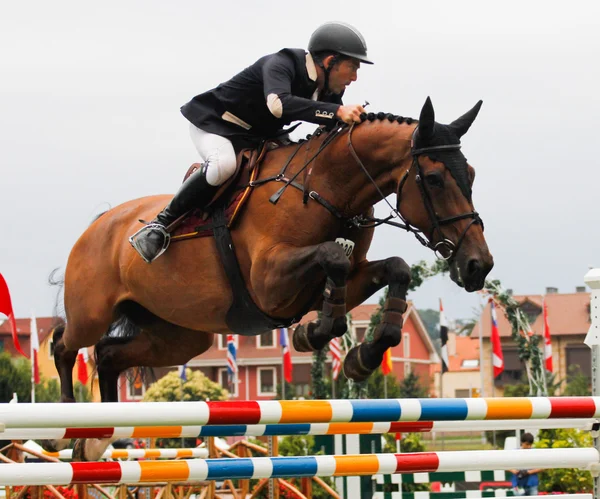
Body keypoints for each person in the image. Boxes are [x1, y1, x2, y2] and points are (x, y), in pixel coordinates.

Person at [130, 21, 373, 263]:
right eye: (352, 67)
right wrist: (337, 112)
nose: (354, 77)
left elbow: (326, 128)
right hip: (218, 124)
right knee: (223, 166)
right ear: (330, 61)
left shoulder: (330, 89)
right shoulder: (282, 63)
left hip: (260, 135)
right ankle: (159, 225)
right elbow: (278, 105)